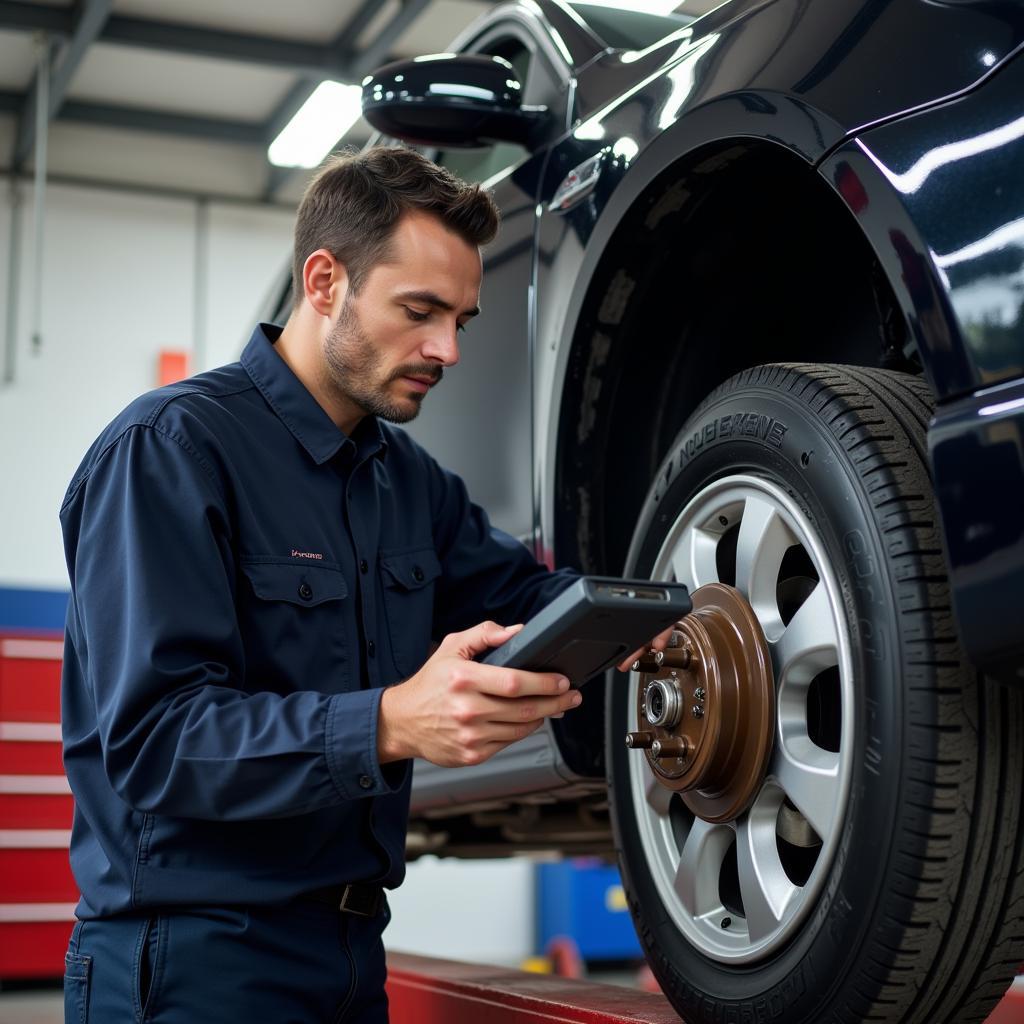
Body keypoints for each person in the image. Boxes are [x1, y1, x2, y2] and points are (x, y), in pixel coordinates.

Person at [58, 145, 673, 1023]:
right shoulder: (171, 450)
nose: (447, 349)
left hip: (349, 957)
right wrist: (390, 721)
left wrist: (637, 618)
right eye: (419, 311)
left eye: (462, 318)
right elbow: (157, 742)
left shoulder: (407, 481)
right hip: (191, 965)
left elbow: (520, 594)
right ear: (323, 281)